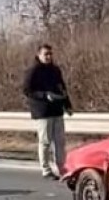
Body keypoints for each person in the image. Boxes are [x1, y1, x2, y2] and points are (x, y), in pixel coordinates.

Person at [22, 43, 73, 180]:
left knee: (60, 141)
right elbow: (27, 90)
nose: (48, 57)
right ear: (39, 55)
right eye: (46, 54)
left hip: (56, 110)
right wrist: (44, 95)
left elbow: (62, 88)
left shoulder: (55, 70)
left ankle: (62, 168)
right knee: (45, 141)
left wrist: (67, 105)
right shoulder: (34, 71)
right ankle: (46, 169)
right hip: (42, 111)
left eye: (50, 54)